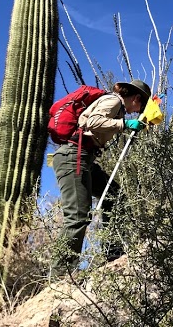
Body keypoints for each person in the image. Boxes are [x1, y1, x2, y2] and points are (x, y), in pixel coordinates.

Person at [51, 79, 151, 270]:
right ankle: (61, 274)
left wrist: (124, 124)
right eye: (140, 107)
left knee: (115, 195)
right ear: (136, 97)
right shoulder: (114, 101)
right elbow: (92, 121)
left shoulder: (117, 107)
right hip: (73, 156)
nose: (137, 112)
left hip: (85, 158)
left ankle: (114, 254)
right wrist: (125, 123)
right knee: (78, 216)